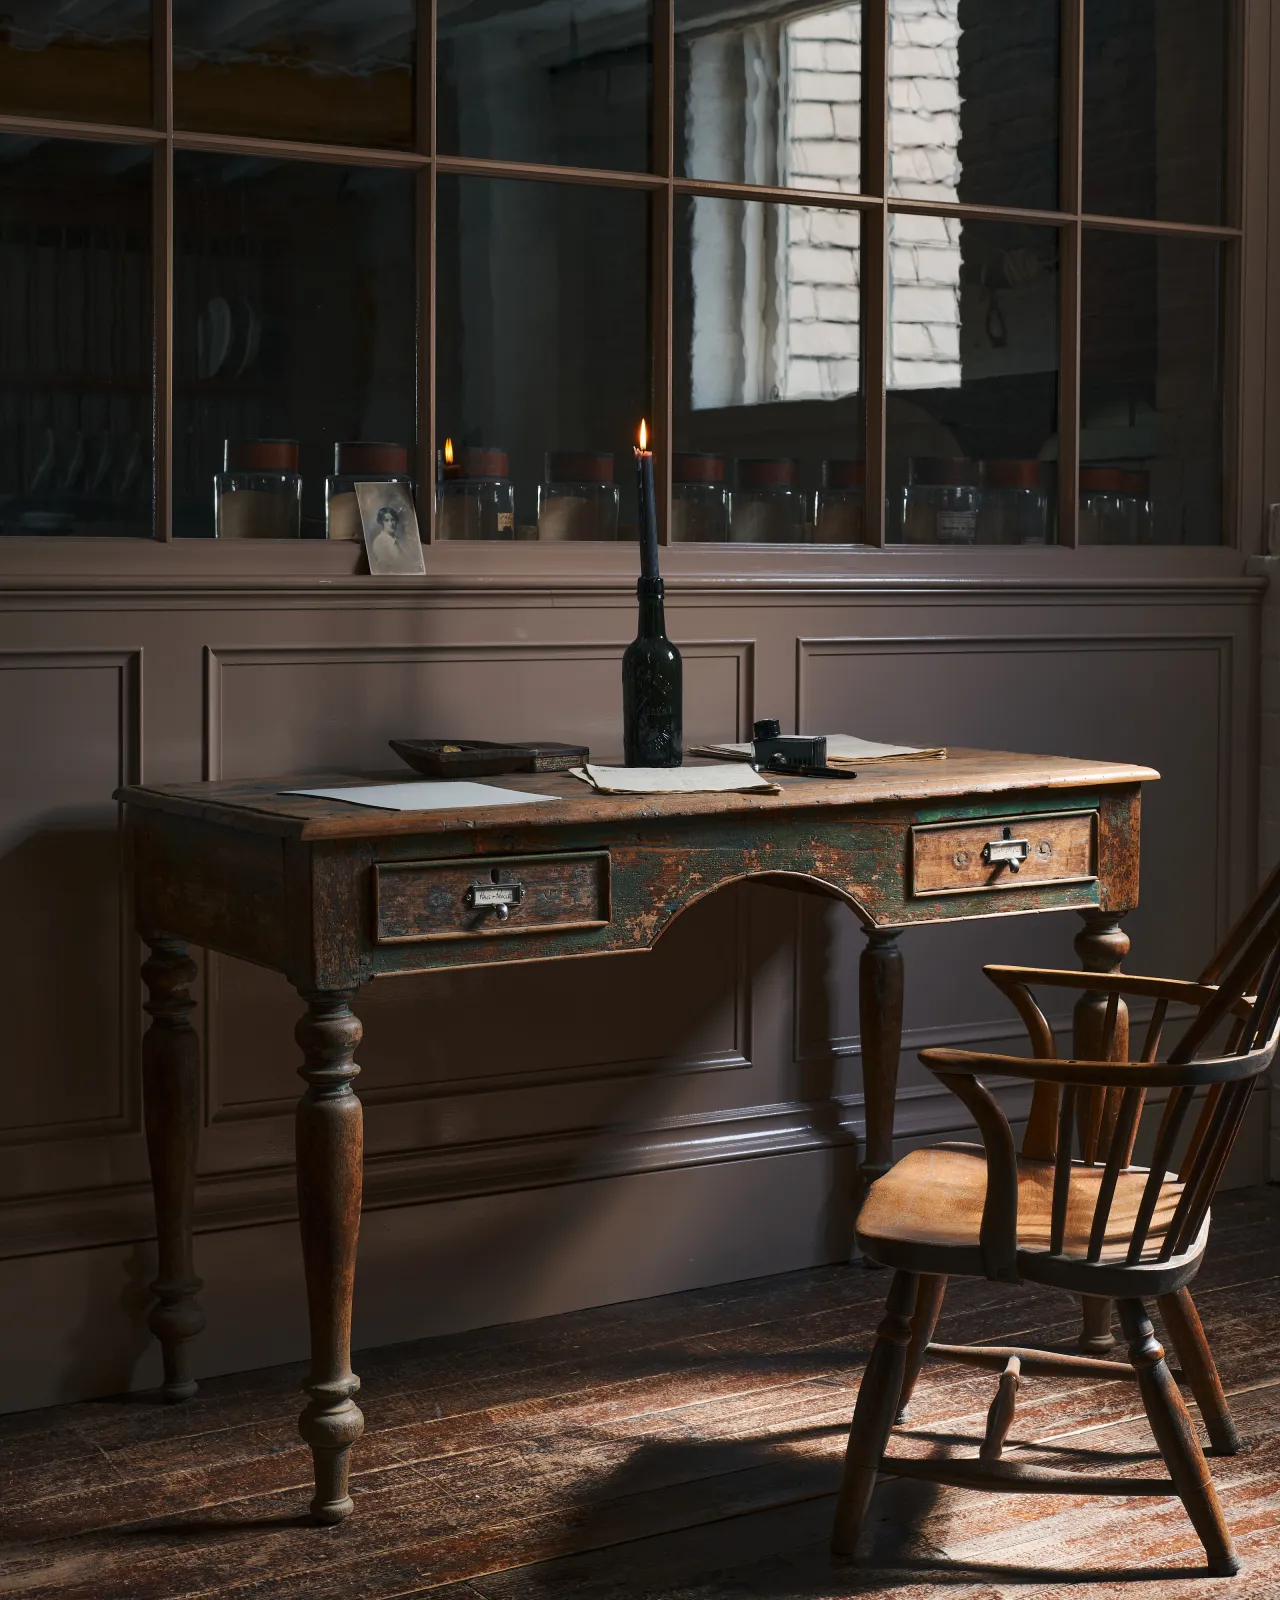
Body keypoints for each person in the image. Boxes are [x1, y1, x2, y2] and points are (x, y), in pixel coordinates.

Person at [368, 502, 422, 573]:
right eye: (386, 520)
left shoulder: (399, 541)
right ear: (381, 522)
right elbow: (395, 565)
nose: (391, 524)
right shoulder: (380, 541)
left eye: (393, 520)